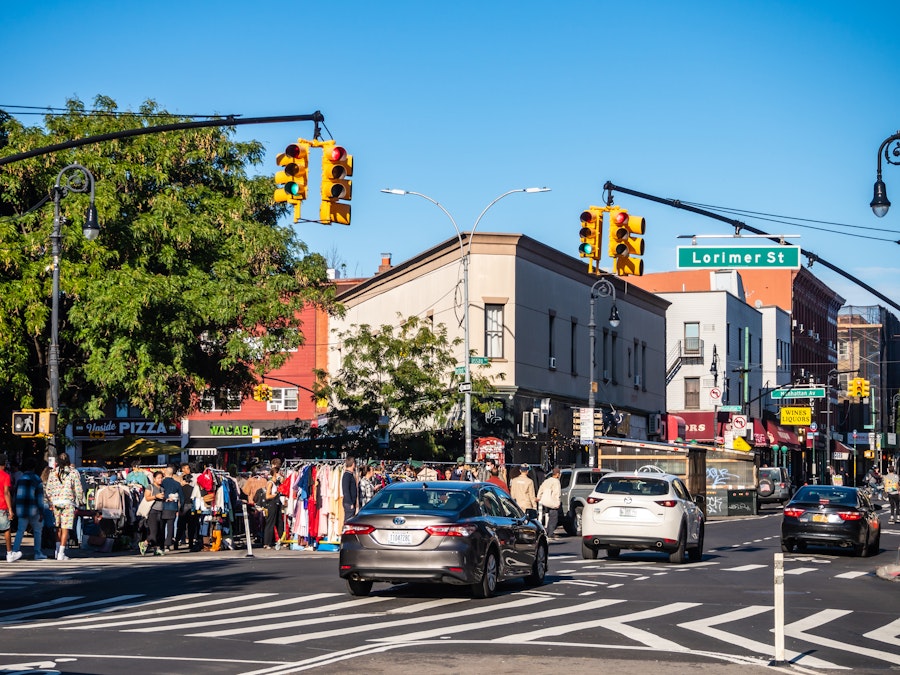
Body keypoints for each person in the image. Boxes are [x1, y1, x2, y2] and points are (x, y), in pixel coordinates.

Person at [45, 452, 84, 561]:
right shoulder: (73, 472)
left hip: (56, 502)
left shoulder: (53, 473)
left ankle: (57, 551)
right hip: (68, 502)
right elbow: (78, 488)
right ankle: (62, 552)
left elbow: (48, 489)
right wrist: (80, 500)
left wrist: (51, 501)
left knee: (57, 527)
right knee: (65, 527)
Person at [9, 458, 46, 561]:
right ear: (34, 468)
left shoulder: (21, 479)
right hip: (34, 509)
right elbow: (39, 498)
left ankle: (15, 551)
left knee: (20, 530)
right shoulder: (37, 479)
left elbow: (16, 495)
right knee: (37, 531)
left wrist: (14, 508)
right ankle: (37, 552)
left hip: (21, 508)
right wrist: (41, 511)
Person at [160, 466, 182, 552]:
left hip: (162, 506)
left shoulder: (162, 483)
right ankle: (168, 543)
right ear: (172, 474)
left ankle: (161, 543)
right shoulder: (177, 484)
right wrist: (180, 507)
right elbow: (181, 497)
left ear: (165, 474)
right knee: (170, 525)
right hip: (173, 506)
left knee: (162, 526)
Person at [536, 466, 562, 538]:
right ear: (557, 474)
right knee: (554, 517)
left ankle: (547, 531)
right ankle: (551, 533)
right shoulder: (556, 482)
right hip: (552, 502)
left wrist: (538, 497)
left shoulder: (547, 480)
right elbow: (557, 493)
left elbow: (541, 488)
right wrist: (557, 503)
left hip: (545, 501)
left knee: (549, 516)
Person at [262, 466, 283, 549]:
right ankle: (267, 543)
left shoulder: (277, 483)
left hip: (277, 503)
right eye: (278, 472)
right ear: (275, 474)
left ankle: (281, 540)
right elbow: (267, 496)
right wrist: (275, 495)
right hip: (271, 504)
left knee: (279, 522)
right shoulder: (270, 483)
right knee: (270, 523)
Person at [0, 454, 12, 561]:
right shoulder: (5, 476)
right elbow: (6, 492)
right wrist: (10, 509)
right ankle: (9, 553)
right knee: (6, 529)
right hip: (2, 505)